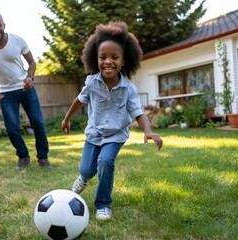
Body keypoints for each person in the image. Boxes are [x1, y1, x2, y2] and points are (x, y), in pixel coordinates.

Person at [61, 21, 163, 220]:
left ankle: (103, 204)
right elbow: (79, 101)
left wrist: (148, 130)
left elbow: (138, 112)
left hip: (115, 135)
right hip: (94, 133)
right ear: (95, 59)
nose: (108, 61)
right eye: (103, 57)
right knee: (87, 169)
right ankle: (83, 178)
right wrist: (66, 119)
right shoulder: (91, 82)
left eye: (114, 57)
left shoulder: (128, 89)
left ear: (124, 61)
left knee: (106, 161)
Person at [0, 12, 51, 170]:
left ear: (4, 25)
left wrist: (30, 77)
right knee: (12, 129)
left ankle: (43, 158)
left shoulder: (17, 40)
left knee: (38, 123)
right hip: (6, 93)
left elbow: (31, 62)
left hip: (26, 88)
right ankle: (23, 157)